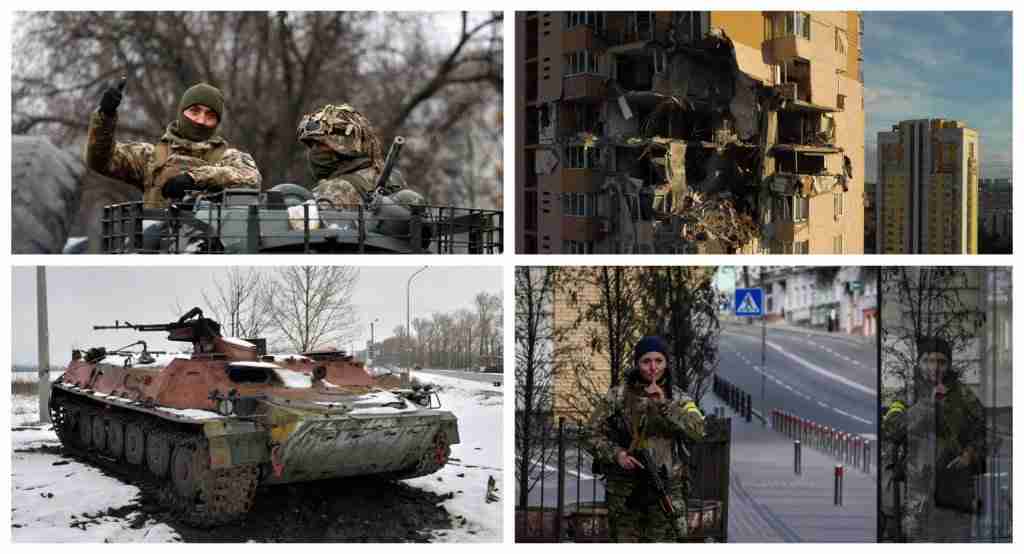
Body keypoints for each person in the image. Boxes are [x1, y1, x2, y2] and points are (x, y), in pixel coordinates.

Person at [587, 336, 706, 542]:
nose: (653, 368)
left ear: (666, 363)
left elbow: (699, 430)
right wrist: (617, 454)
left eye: (659, 361)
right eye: (646, 361)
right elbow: (589, 433)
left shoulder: (678, 398)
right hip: (625, 492)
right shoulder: (618, 397)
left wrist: (665, 405)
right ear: (637, 364)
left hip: (665, 489)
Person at [84, 80, 261, 208]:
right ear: (181, 112)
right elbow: (100, 161)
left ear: (217, 122)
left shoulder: (229, 158)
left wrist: (194, 178)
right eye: (195, 111)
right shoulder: (150, 157)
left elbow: (251, 180)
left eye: (210, 115)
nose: (201, 120)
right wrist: (105, 117)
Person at [881, 337, 987, 541]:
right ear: (919, 363)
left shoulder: (963, 396)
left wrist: (970, 455)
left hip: (956, 498)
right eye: (928, 360)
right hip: (917, 499)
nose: (935, 367)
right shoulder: (907, 395)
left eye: (941, 361)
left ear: (948, 365)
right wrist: (926, 405)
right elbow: (892, 429)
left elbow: (984, 433)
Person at [296, 103, 421, 207]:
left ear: (343, 145)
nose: (313, 152)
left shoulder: (334, 189)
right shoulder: (392, 176)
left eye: (319, 144)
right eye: (311, 146)